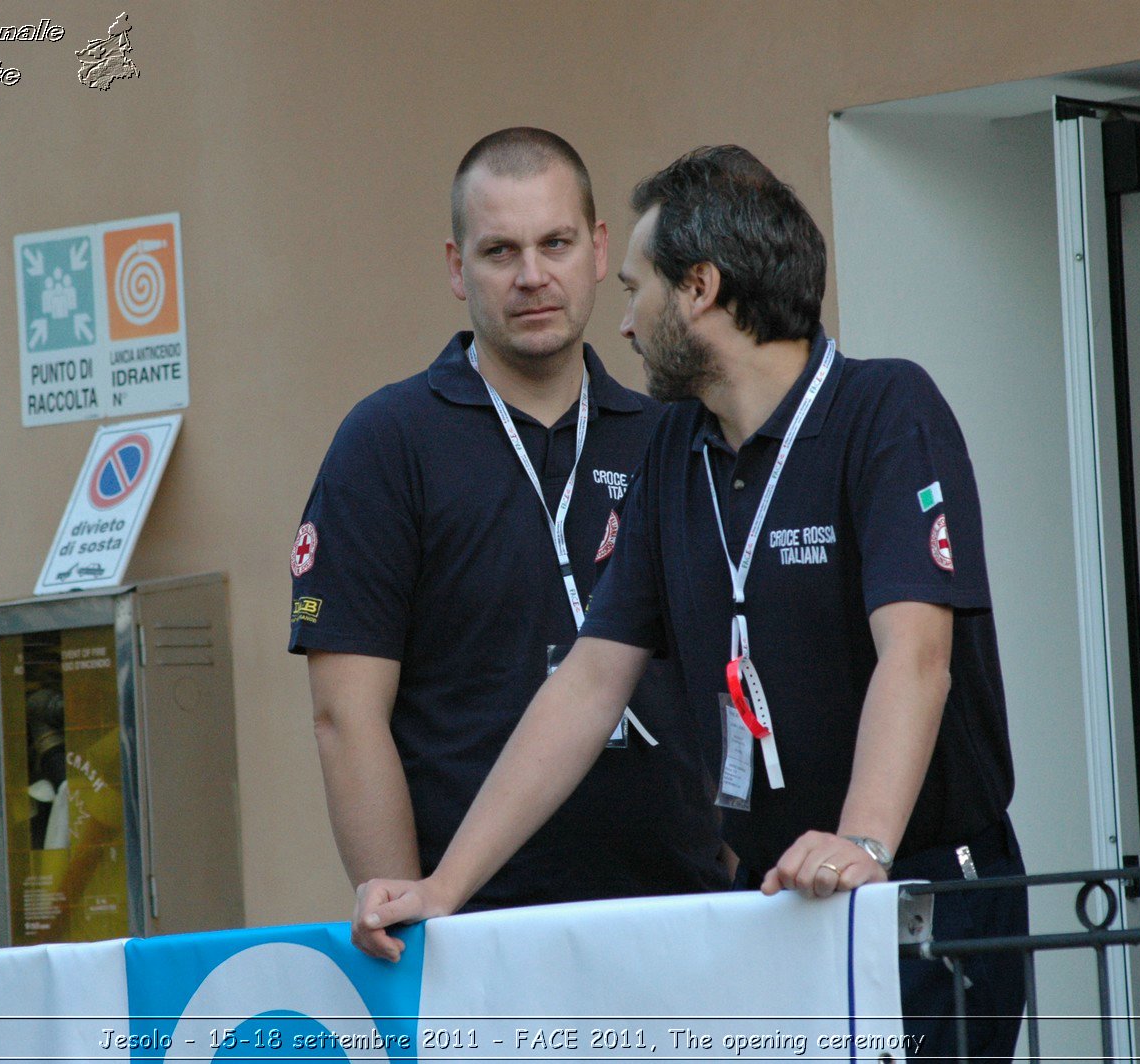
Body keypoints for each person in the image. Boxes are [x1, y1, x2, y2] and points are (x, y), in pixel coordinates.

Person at [353, 145, 1027, 1059]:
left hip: (915, 889)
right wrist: (445, 886)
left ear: (700, 289)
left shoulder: (884, 410)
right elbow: (591, 682)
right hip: (772, 902)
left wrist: (864, 840)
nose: (622, 323)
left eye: (635, 289)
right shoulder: (677, 446)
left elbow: (917, 656)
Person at [289, 128, 728, 913]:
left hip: (680, 911)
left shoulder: (671, 434)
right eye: (499, 252)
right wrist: (413, 916)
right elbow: (345, 717)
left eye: (555, 243)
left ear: (599, 251)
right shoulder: (388, 444)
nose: (532, 276)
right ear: (458, 269)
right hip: (483, 929)